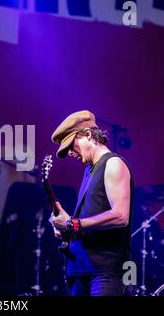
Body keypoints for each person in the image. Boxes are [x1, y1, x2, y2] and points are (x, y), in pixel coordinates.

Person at [49, 110, 133, 296]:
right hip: (81, 270)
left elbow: (121, 215)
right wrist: (65, 229)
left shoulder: (113, 164)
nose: (70, 152)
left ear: (88, 134)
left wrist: (73, 223)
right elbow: (89, 222)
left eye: (71, 145)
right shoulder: (89, 170)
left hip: (104, 273)